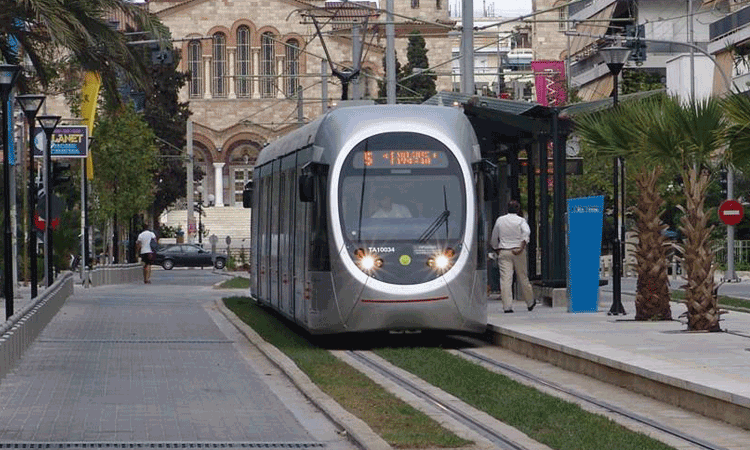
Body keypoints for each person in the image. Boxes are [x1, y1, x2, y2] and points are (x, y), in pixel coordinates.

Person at [490, 200, 536, 313]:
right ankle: (530, 302)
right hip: (518, 251)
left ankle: (507, 306)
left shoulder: (500, 220)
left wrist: (497, 249)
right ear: (518, 210)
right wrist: (521, 246)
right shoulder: (521, 221)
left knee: (505, 279)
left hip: (504, 251)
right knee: (523, 277)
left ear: (507, 209)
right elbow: (526, 232)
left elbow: (494, 237)